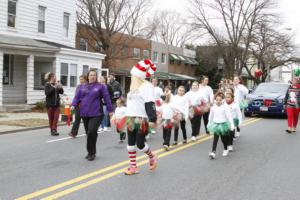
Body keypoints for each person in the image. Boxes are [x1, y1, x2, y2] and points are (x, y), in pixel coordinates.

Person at [125, 59, 157, 175]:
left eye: (133, 74)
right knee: (130, 144)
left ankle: (152, 155)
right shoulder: (132, 88)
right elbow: (130, 104)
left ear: (137, 75)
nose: (131, 76)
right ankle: (133, 166)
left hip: (141, 119)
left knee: (140, 144)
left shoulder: (146, 86)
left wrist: (152, 119)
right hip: (130, 118)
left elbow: (150, 103)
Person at [72, 69, 113, 161]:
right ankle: (90, 152)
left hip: (97, 113)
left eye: (94, 75)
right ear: (88, 76)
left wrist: (110, 110)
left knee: (91, 131)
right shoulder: (82, 86)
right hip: (85, 113)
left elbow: (107, 98)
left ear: (96, 76)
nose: (92, 76)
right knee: (89, 133)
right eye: (91, 75)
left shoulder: (100, 86)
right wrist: (73, 105)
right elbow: (77, 97)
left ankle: (92, 153)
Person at [208, 92, 234, 159]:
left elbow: (229, 116)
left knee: (223, 139)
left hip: (223, 125)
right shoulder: (213, 108)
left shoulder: (225, 107)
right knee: (215, 139)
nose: (218, 101)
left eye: (220, 100)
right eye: (217, 100)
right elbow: (210, 117)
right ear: (215, 100)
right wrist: (209, 123)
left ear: (222, 100)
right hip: (216, 125)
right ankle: (213, 152)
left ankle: (225, 149)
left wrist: (231, 124)